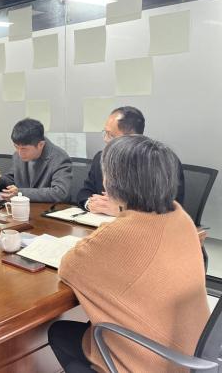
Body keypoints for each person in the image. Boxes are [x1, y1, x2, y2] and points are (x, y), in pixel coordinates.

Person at [49, 136, 209, 372]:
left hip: (153, 360)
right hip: (192, 352)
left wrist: (117, 217)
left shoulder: (120, 235)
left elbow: (68, 268)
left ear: (112, 183)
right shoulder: (180, 216)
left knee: (59, 332)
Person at [77, 106, 185, 216]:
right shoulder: (101, 158)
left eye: (111, 135)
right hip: (99, 221)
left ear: (132, 137)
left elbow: (169, 209)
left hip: (144, 225)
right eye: (105, 132)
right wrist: (91, 204)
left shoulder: (162, 162)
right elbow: (84, 193)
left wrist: (122, 211)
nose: (105, 139)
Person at [0, 119, 72, 201]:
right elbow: (12, 179)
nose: (19, 153)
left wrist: (20, 193)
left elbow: (60, 192)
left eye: (24, 149)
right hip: (22, 206)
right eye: (16, 147)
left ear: (40, 145)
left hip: (51, 208)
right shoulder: (18, 154)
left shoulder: (59, 158)